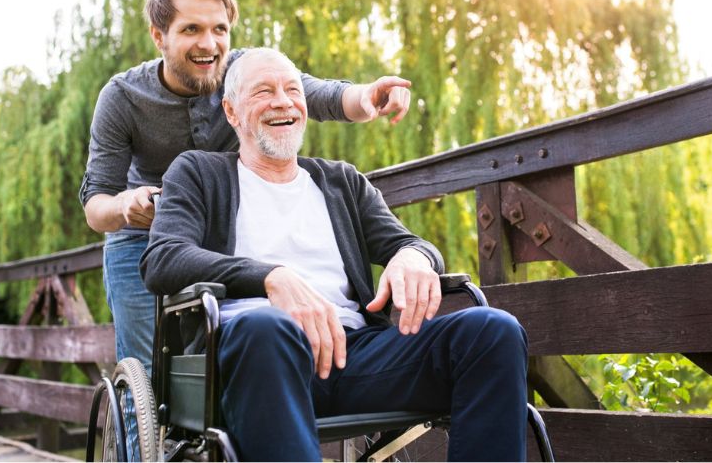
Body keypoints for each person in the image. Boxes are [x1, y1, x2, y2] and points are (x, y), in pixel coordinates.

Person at [140, 48, 529, 461]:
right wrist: (271, 278)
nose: (283, 101)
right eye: (263, 91)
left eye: (292, 90)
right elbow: (163, 258)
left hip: (355, 354)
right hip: (254, 355)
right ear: (232, 113)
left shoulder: (341, 181)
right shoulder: (198, 172)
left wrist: (414, 257)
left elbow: (409, 243)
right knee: (267, 327)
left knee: (493, 331)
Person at [79, 0, 413, 376]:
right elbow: (95, 207)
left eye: (220, 29)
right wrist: (126, 205)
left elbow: (321, 95)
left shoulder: (244, 74)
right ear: (158, 36)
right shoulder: (123, 97)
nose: (209, 44)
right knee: (148, 374)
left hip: (220, 231)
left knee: (224, 359)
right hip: (141, 240)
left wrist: (370, 96)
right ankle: (147, 436)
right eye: (191, 30)